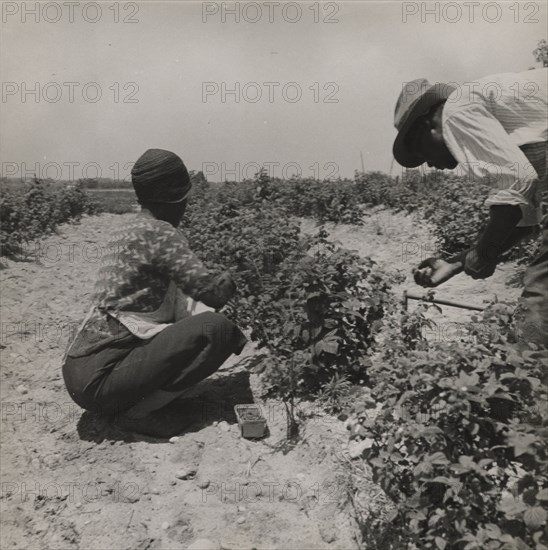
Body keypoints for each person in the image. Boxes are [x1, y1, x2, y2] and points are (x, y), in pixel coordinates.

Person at [62, 149, 247, 437]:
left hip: (80, 372)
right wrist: (242, 271)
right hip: (100, 381)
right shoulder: (160, 232)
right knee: (219, 330)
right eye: (185, 196)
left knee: (193, 326)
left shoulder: (127, 229)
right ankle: (137, 414)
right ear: (176, 197)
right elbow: (213, 295)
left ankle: (136, 400)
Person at [392, 68, 547, 350]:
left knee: (540, 299)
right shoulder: (498, 118)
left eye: (419, 149)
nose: (427, 163)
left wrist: (484, 253)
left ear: (430, 124)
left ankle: (530, 380)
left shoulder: (455, 110)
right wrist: (456, 263)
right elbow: (526, 222)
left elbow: (518, 181)